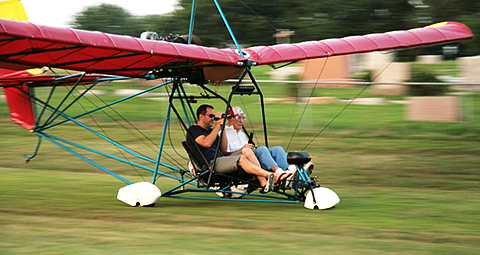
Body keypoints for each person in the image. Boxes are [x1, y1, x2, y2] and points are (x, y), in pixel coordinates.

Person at [186, 104, 291, 192]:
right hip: (210, 164)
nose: (213, 119)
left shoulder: (212, 132)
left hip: (222, 160)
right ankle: (270, 176)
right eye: (210, 116)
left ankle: (267, 180)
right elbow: (206, 143)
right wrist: (218, 126)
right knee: (242, 159)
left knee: (246, 150)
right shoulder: (194, 130)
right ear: (201, 116)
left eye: (214, 116)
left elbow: (223, 149)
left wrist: (221, 128)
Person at [223, 106, 295, 174]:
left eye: (243, 118)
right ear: (230, 119)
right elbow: (225, 153)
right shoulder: (224, 134)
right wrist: (244, 149)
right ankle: (278, 171)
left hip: (249, 156)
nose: (241, 121)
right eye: (238, 118)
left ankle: (289, 169)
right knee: (262, 149)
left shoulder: (241, 134)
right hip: (236, 159)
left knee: (278, 150)